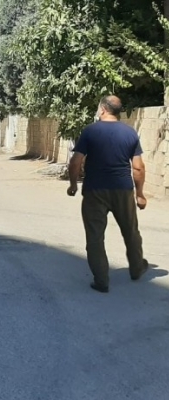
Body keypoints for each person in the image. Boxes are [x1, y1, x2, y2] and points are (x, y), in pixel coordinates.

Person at [67, 95, 149, 293]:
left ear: (103, 109)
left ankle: (101, 280)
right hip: (123, 190)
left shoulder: (90, 131)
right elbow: (138, 167)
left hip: (95, 190)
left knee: (95, 236)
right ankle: (137, 268)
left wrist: (73, 185)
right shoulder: (130, 133)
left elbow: (76, 161)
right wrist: (139, 194)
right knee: (131, 231)